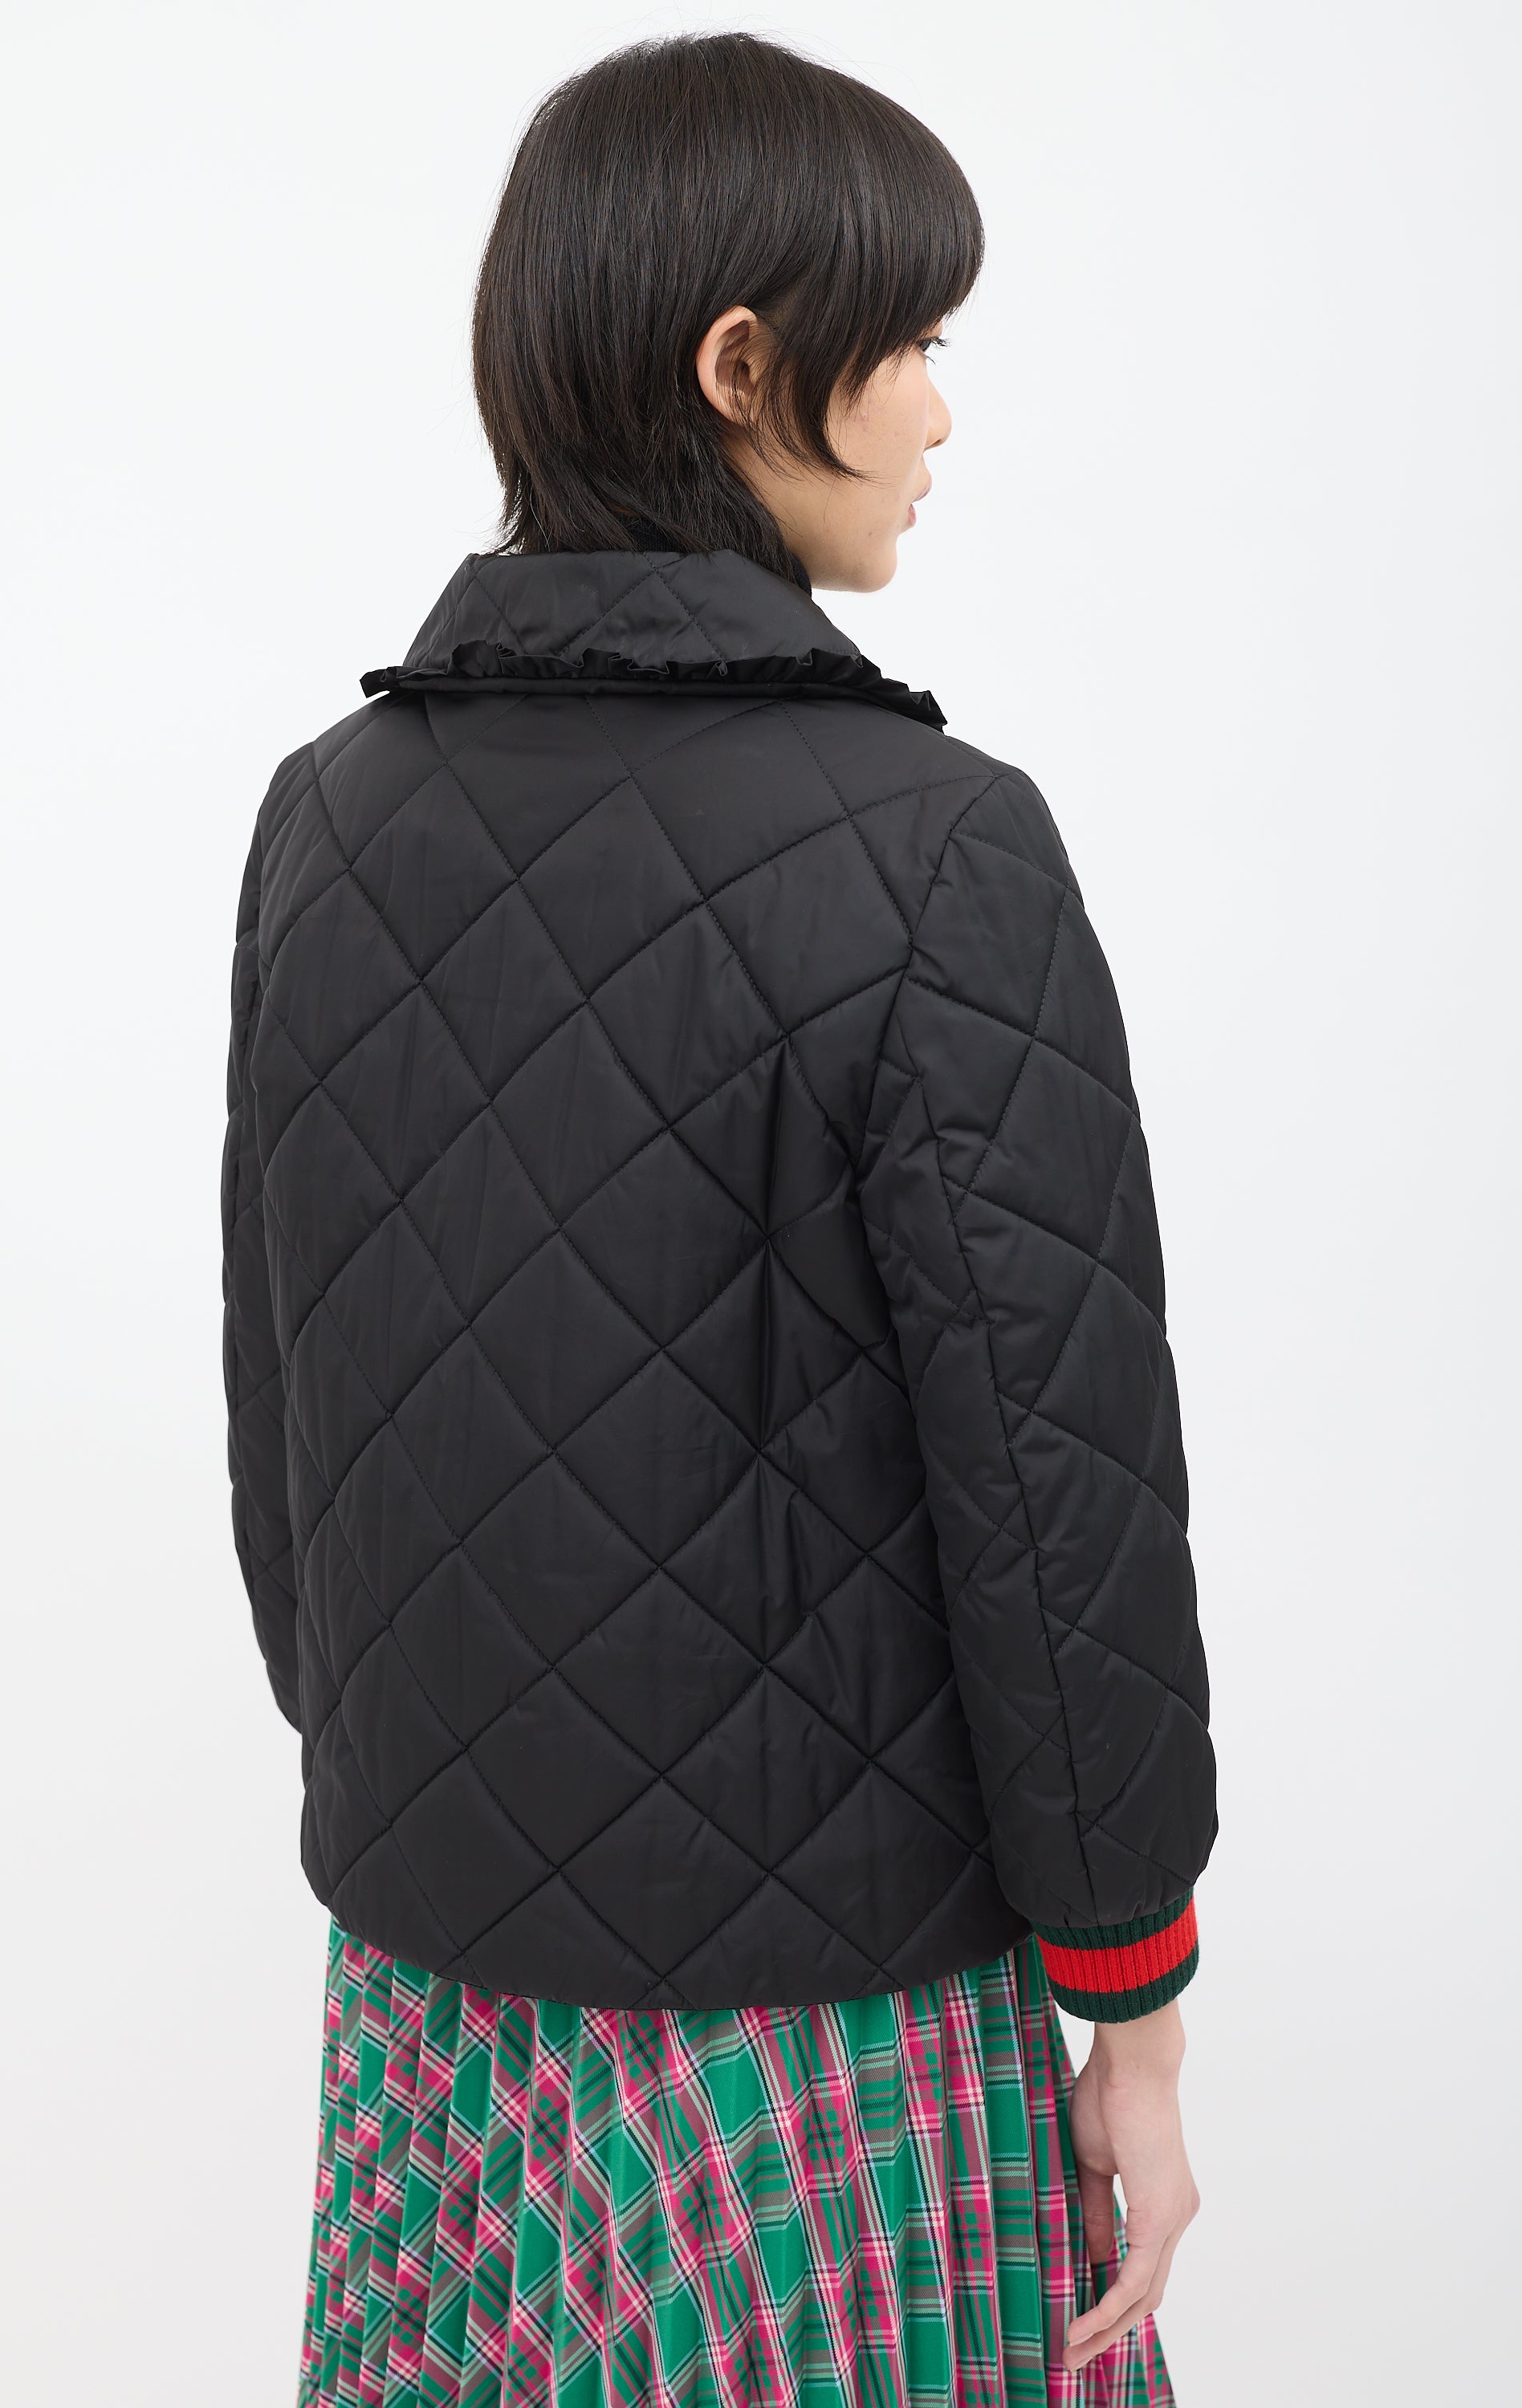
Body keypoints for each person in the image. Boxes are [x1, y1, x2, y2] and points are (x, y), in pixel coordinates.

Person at [222, 32, 1215, 2406]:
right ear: (746, 367)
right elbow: (1057, 1502)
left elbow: (287, 1427)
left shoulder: (326, 817)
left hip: (434, 2010)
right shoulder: (937, 846)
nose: (942, 416)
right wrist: (1134, 2007)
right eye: (912, 342)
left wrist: (433, 1800)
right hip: (818, 2034)